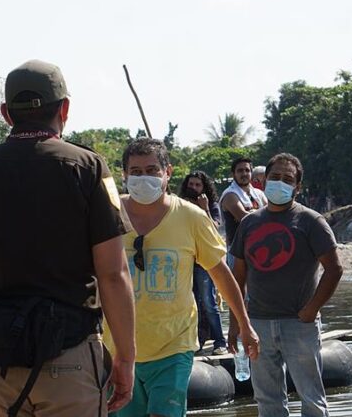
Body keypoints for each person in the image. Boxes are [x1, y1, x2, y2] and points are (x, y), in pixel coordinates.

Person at [0, 60, 136, 417]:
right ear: (64, 108)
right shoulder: (89, 168)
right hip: (70, 354)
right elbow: (113, 274)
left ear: (6, 113)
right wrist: (126, 357)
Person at [109, 137, 259, 417]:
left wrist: (244, 324)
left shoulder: (191, 217)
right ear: (124, 175)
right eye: (136, 172)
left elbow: (220, 274)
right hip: (116, 347)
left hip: (172, 344)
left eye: (153, 170)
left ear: (168, 173)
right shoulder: (107, 214)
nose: (145, 178)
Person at [228, 152, 343, 417]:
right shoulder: (249, 223)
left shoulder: (311, 221)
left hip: (299, 324)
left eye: (287, 179)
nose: (280, 182)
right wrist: (237, 322)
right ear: (264, 180)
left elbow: (334, 269)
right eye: (275, 177)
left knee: (312, 399)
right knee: (268, 400)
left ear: (297, 187)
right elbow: (238, 275)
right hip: (258, 324)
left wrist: (312, 309)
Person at [178, 171, 228, 355]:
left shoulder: (211, 205)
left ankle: (219, 342)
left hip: (204, 261)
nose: (194, 188)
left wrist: (204, 208)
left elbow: (214, 229)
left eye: (198, 185)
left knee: (208, 301)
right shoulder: (180, 205)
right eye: (191, 184)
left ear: (204, 188)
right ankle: (195, 341)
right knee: (189, 302)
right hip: (184, 259)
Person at [220, 157, 267, 267]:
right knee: (238, 284)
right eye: (240, 171)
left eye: (247, 170)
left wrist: (253, 212)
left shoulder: (258, 194)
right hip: (238, 253)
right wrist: (262, 213)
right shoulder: (230, 195)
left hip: (259, 248)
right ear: (233, 174)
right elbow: (245, 218)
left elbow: (271, 213)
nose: (244, 173)